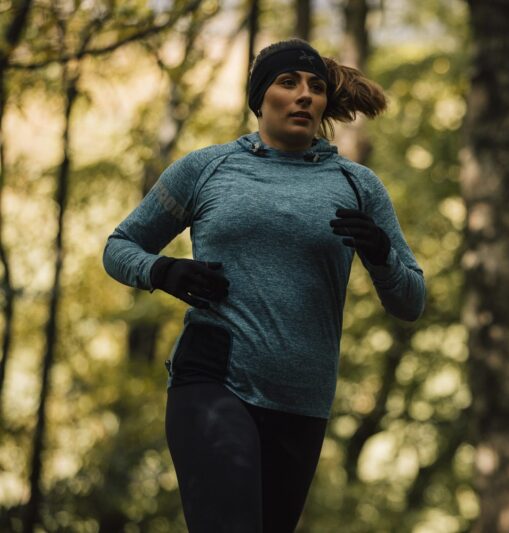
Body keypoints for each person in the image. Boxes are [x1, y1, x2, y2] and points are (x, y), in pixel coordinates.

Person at [102, 38, 426, 532]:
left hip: (302, 401)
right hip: (212, 380)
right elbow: (119, 246)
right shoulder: (206, 169)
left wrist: (381, 256)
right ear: (259, 98)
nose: (304, 96)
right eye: (287, 82)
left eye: (315, 88)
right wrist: (164, 271)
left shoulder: (358, 184)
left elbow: (411, 301)